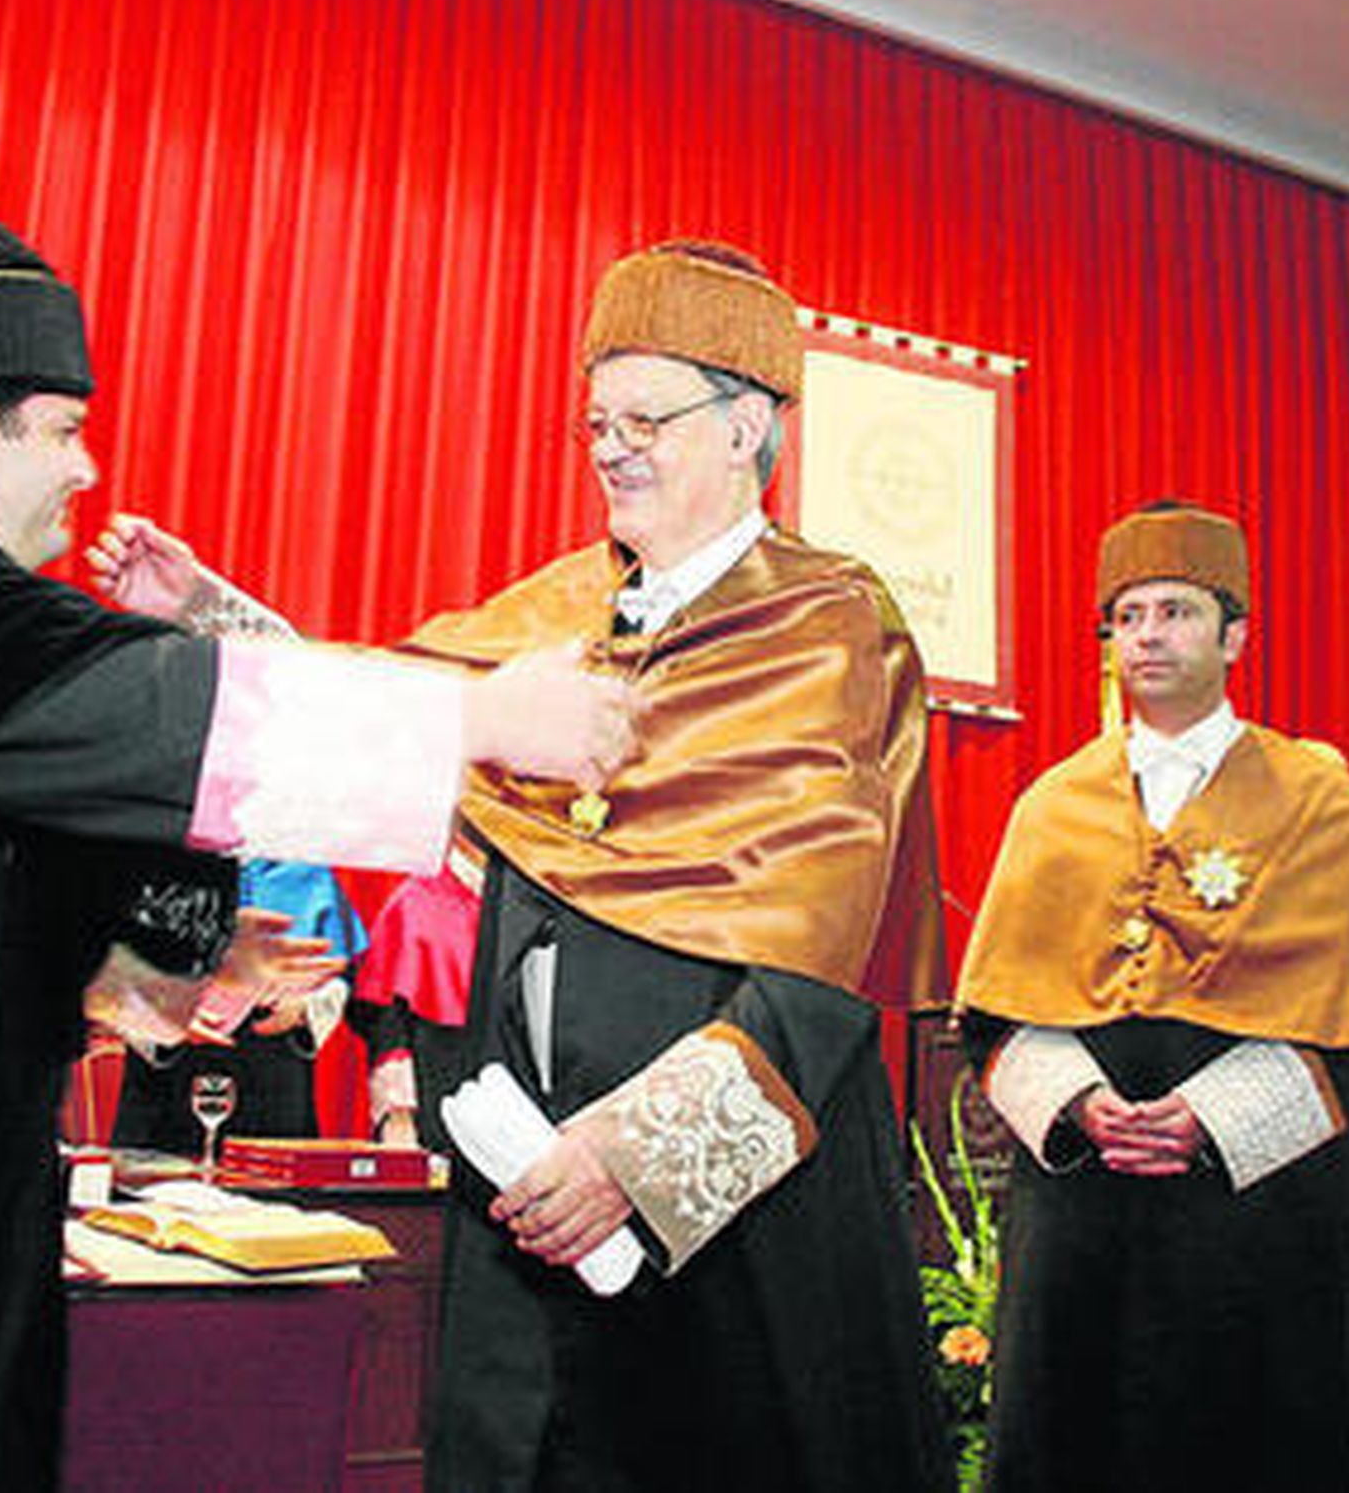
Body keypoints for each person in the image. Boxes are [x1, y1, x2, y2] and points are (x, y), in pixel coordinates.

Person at [0, 213, 638, 1493]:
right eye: (62, 429)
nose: (86, 469)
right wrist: (479, 719)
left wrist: (144, 955)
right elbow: (127, 706)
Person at [92, 239, 954, 1491]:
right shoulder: (557, 608)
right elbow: (402, 711)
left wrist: (630, 1159)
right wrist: (206, 618)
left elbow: (820, 970)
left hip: (722, 1224)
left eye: (645, 419)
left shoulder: (829, 626)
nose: (611, 449)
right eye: (596, 422)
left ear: (746, 428)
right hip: (520, 1187)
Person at [955, 503, 1349, 1493]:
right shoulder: (1051, 804)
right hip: (1082, 1202)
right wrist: (1077, 1103)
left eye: (1176, 611)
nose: (1146, 635)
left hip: (1255, 1214)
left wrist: (1216, 1116)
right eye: (1128, 616)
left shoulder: (1324, 804)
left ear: (1234, 637)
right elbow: (994, 1017)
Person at [112, 859, 368, 1152]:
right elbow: (113, 960)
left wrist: (305, 1008)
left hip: (272, 1061)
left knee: (271, 1173)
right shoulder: (158, 861)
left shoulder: (305, 868)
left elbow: (340, 970)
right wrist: (156, 1015)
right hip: (171, 1063)